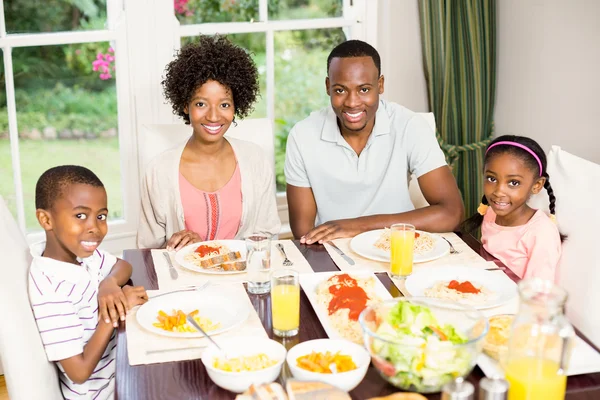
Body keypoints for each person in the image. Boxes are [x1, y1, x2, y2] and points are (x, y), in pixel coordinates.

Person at [284, 39, 464, 244]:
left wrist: (356, 226)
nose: (352, 103)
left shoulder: (409, 126)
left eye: (364, 89)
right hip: (334, 251)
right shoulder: (302, 135)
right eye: (340, 90)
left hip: (399, 248)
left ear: (380, 85)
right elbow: (303, 231)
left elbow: (452, 213)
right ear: (328, 86)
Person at [137, 34, 280, 250]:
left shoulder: (255, 159)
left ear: (236, 106)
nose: (214, 117)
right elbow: (147, 253)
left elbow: (267, 236)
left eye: (224, 105)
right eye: (201, 104)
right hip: (183, 280)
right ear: (186, 105)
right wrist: (180, 245)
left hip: (243, 278)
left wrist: (212, 251)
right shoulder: (159, 170)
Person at [28, 165, 148, 399]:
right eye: (80, 215)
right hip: (104, 392)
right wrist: (116, 309)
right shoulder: (51, 289)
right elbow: (79, 372)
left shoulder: (82, 255)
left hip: (122, 362)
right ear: (46, 219)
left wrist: (109, 284)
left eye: (101, 216)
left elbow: (123, 266)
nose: (95, 227)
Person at [461, 135, 565, 281]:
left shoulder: (541, 232)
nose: (498, 191)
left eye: (514, 183)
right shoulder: (491, 213)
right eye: (492, 179)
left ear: (536, 185)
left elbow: (536, 293)